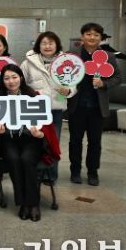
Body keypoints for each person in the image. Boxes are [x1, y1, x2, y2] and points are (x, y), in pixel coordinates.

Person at [0, 64, 60, 222]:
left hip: (31, 139)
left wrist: (40, 134)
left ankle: (33, 203)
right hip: (9, 139)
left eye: (14, 77)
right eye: (6, 78)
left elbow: (45, 125)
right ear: (2, 81)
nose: (11, 81)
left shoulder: (32, 96)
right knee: (13, 159)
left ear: (21, 78)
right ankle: (23, 203)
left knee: (26, 159)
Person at [67, 23, 121, 186]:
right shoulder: (72, 54)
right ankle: (75, 171)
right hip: (77, 106)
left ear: (101, 38)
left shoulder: (108, 56)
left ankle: (93, 172)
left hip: (97, 107)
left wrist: (104, 83)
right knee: (75, 141)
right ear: (82, 36)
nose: (92, 37)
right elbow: (62, 74)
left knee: (95, 142)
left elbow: (118, 78)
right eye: (88, 34)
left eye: (96, 35)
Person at [20, 31, 74, 181]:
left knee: (53, 142)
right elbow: (21, 84)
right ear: (38, 45)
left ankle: (51, 175)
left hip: (56, 109)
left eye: (51, 43)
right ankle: (36, 173)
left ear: (57, 45)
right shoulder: (27, 63)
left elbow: (73, 83)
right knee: (35, 141)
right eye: (44, 43)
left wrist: (68, 90)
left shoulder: (66, 62)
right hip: (35, 109)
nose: (47, 46)